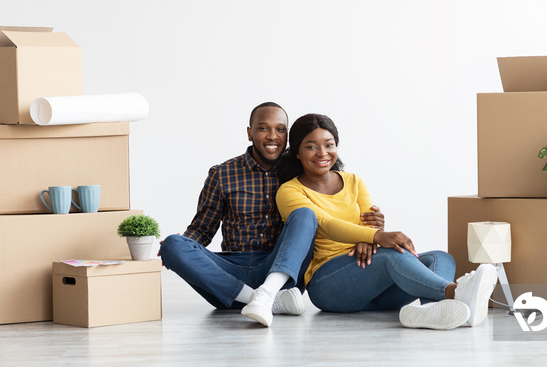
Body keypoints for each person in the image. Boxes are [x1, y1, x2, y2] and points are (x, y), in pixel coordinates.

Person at [158, 102, 385, 328]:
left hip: (281, 268)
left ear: (288, 136)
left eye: (280, 129)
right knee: (173, 244)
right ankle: (260, 300)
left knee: (304, 214)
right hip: (230, 272)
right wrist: (184, 247)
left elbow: (333, 212)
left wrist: (367, 231)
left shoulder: (303, 172)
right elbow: (202, 229)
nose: (272, 136)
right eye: (263, 128)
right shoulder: (222, 174)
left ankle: (269, 292)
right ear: (250, 133)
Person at [275, 113, 498, 330]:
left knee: (440, 257)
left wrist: (370, 239)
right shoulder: (289, 191)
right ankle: (455, 293)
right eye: (311, 146)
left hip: (375, 287)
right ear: (297, 152)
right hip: (329, 286)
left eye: (329, 144)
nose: (322, 153)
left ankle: (431, 311)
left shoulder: (354, 181)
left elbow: (369, 221)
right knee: (392, 256)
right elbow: (324, 223)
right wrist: (377, 236)